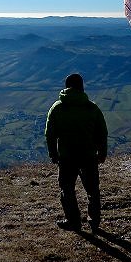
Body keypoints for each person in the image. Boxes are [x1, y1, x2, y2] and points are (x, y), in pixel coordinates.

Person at [45, 73, 108, 232]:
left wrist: (53, 153)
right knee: (93, 190)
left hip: (66, 157)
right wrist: (102, 152)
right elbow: (102, 132)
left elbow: (50, 133)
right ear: (82, 87)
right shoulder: (91, 107)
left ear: (66, 87)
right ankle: (94, 222)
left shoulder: (57, 107)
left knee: (67, 189)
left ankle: (73, 221)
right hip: (88, 156)